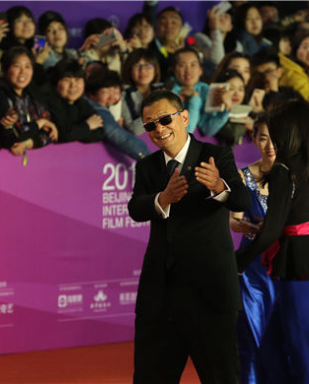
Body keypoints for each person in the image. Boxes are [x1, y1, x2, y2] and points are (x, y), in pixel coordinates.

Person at [127, 89, 251, 384]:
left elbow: (242, 200)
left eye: (165, 119)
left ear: (184, 117)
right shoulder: (146, 166)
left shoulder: (216, 155)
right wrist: (163, 198)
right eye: (150, 125)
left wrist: (220, 186)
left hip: (209, 294)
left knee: (221, 376)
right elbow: (135, 208)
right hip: (160, 295)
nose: (159, 129)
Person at [236, 99, 309, 384]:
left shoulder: (282, 171)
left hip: (296, 266)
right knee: (273, 347)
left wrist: (237, 263)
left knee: (306, 351)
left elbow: (272, 230)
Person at [229, 115, 278, 384]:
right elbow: (233, 220)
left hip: (284, 267)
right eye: (262, 137)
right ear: (254, 139)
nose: (269, 144)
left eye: (274, 138)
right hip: (252, 271)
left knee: (282, 339)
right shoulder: (243, 176)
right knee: (250, 337)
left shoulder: (290, 175)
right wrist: (247, 226)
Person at [43, 58, 103, 144]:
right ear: (55, 83)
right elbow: (60, 134)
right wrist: (87, 126)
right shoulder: (48, 102)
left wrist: (77, 132)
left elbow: (99, 131)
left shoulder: (83, 103)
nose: (73, 85)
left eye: (77, 80)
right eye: (67, 80)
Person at [121, 48, 162, 136]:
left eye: (148, 65)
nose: (142, 71)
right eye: (137, 66)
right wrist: (156, 106)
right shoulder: (124, 94)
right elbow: (135, 130)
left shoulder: (162, 89)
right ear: (129, 69)